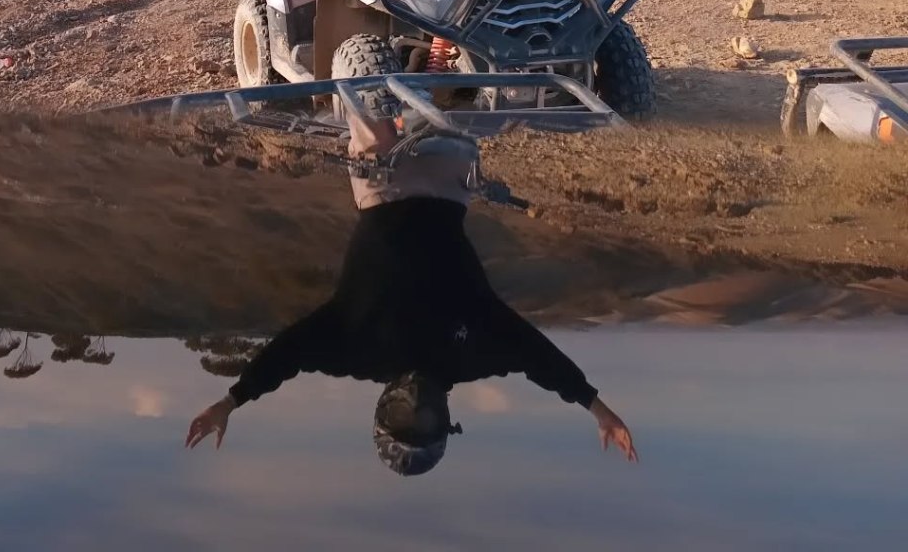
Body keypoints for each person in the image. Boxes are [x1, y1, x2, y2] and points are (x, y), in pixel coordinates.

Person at [185, 107, 639, 474]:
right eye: (426, 422)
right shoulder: (476, 354)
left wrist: (231, 401)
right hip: (449, 185)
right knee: (460, 91)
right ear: (445, 421)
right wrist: (596, 408)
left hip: (381, 181)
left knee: (368, 91)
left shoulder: (352, 350)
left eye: (403, 420)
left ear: (383, 414)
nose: (416, 407)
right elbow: (541, 360)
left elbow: (286, 355)